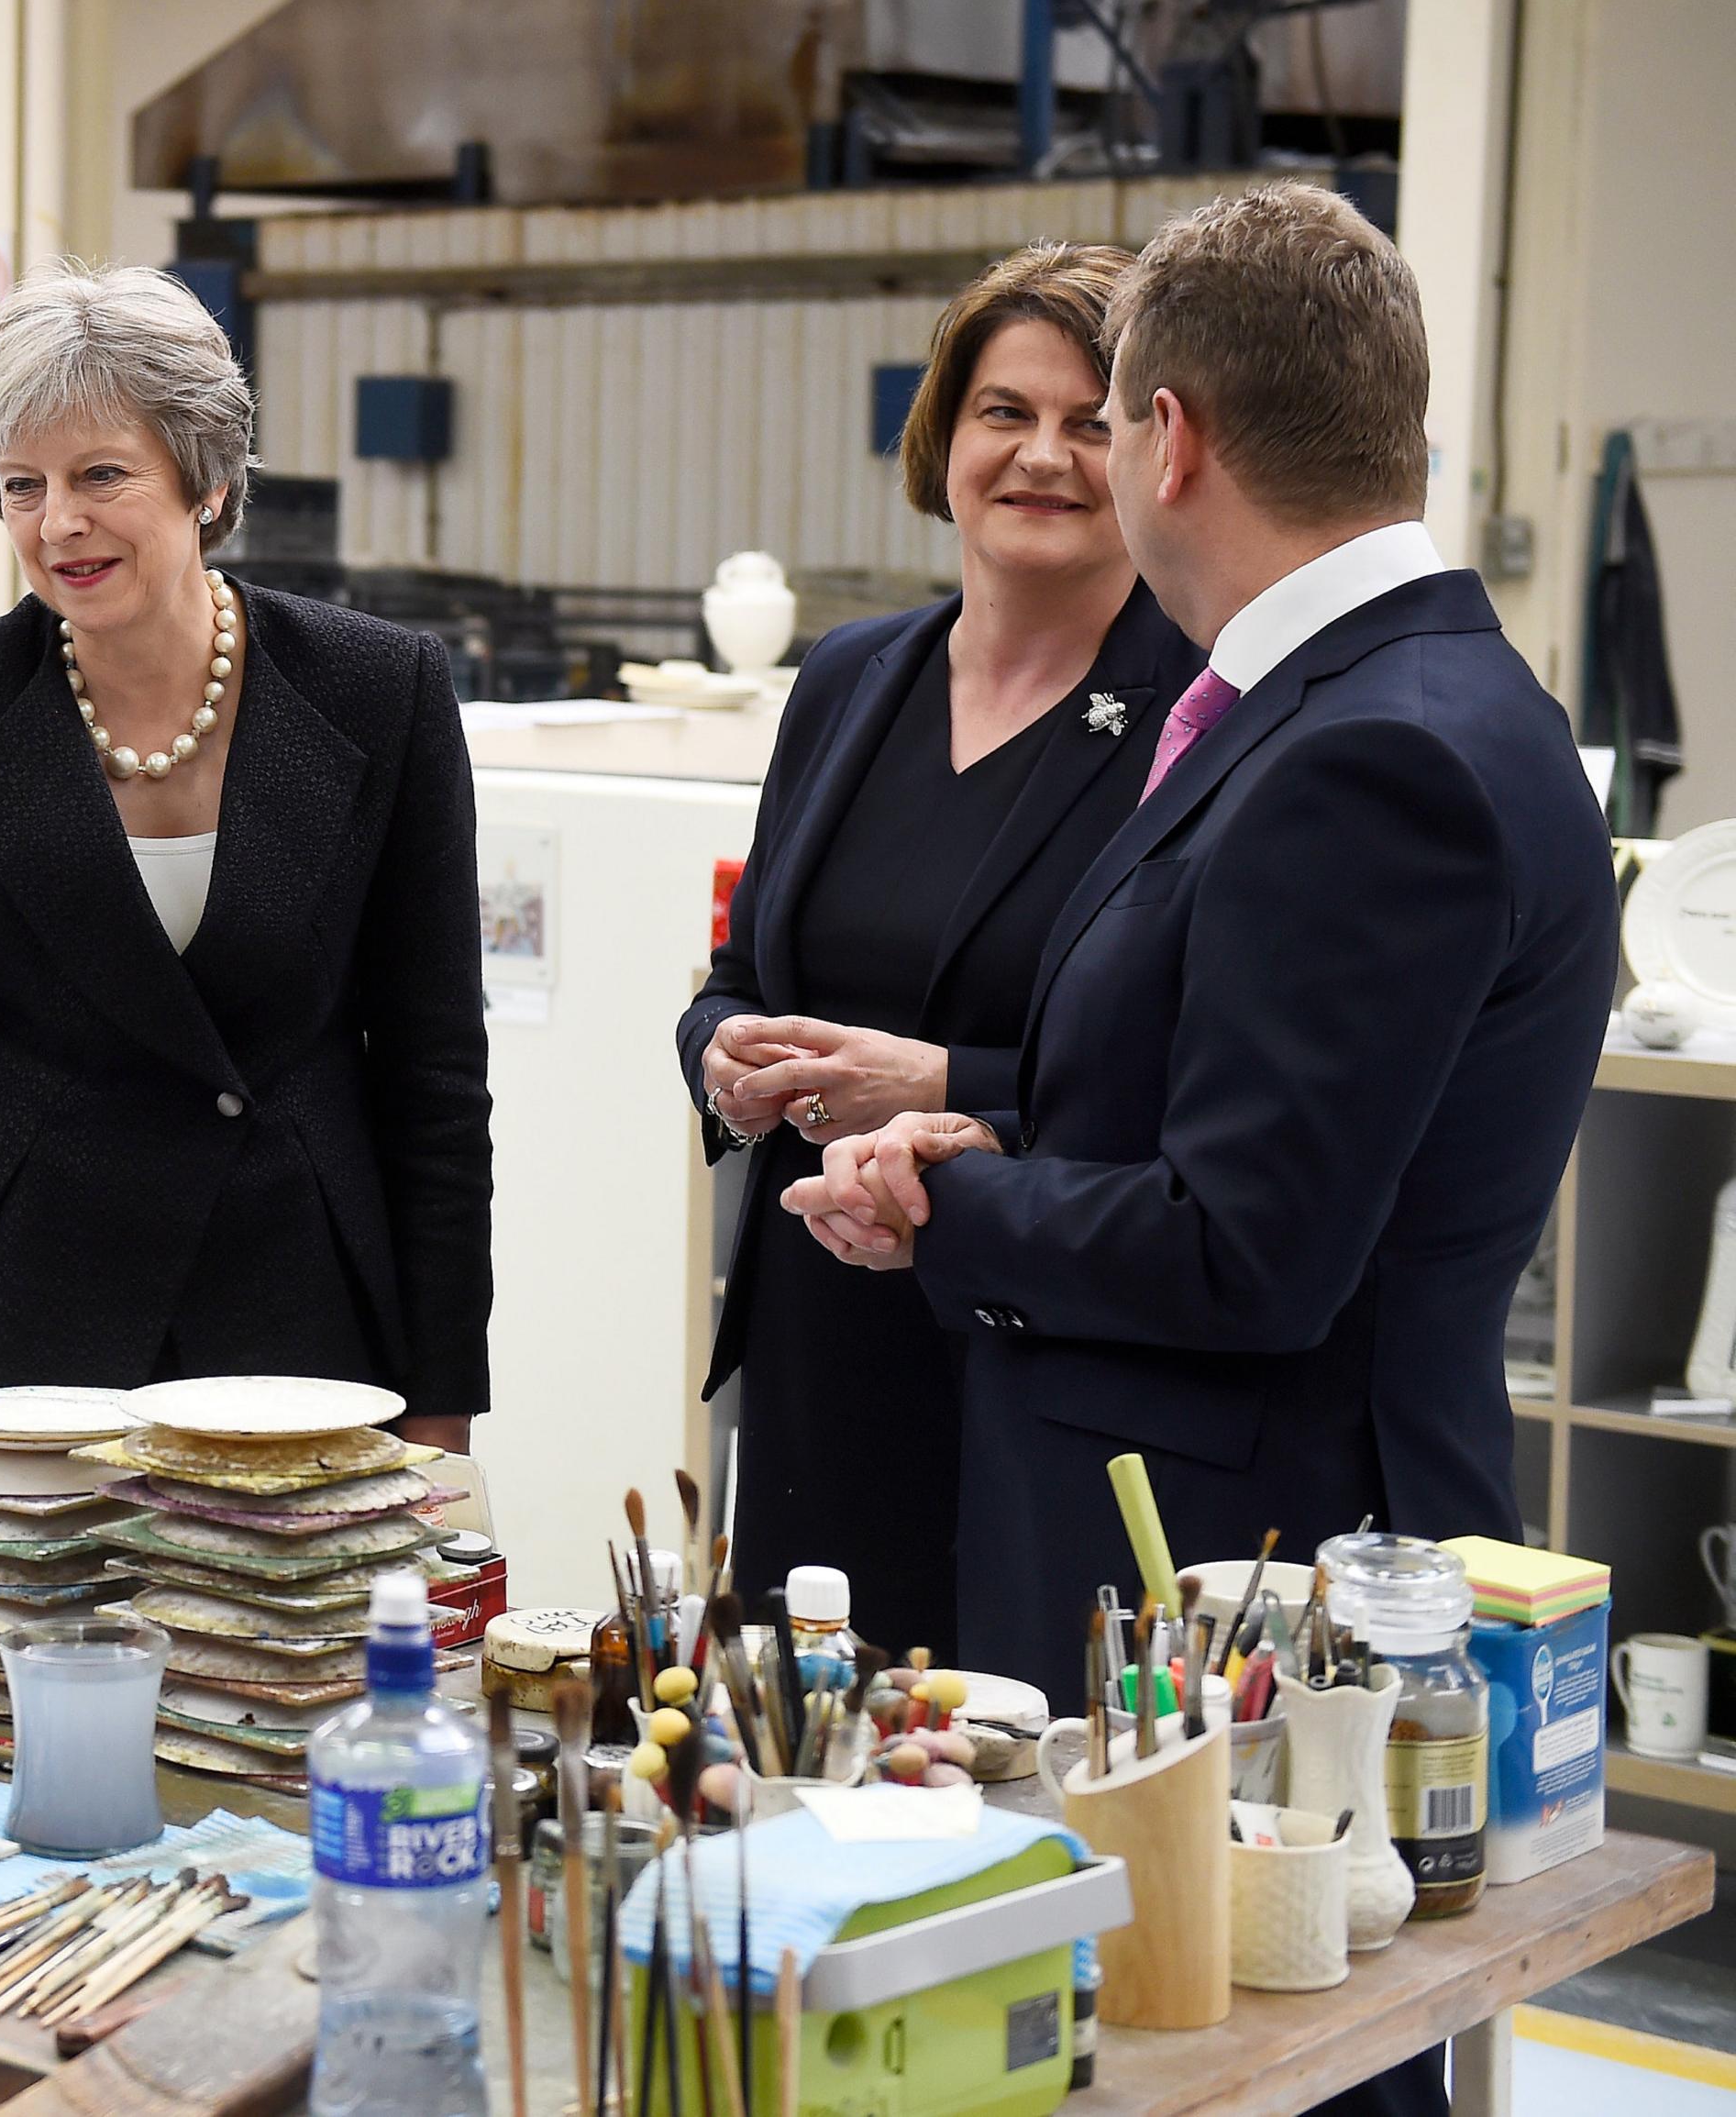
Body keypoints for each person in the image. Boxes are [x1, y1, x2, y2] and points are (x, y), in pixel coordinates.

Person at [787, 183, 1617, 1697]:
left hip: (1235, 1566)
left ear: (1174, 439)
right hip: (1238, 1533)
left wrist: (947, 1213)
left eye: (1101, 422)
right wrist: (983, 1128)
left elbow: (1250, 1247)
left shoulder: (1369, 758)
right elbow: (1241, 1107)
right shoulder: (1427, 698)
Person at [0, 261, 491, 1478]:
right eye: (24, 485)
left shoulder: (382, 691)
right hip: (19, 1322)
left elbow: (434, 1080)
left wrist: (439, 1417)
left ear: (206, 478)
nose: (58, 521)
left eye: (100, 474)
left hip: (298, 1315)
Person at [677, 242, 1200, 1659]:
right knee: (811, 1766)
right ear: (944, 436)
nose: (1043, 455)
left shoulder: (1194, 721)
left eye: (1092, 421)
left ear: (1160, 446)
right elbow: (744, 971)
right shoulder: (854, 678)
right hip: (815, 1344)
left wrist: (939, 1078)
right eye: (1003, 413)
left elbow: (1183, 1074)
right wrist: (718, 1050)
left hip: (1034, 1348)